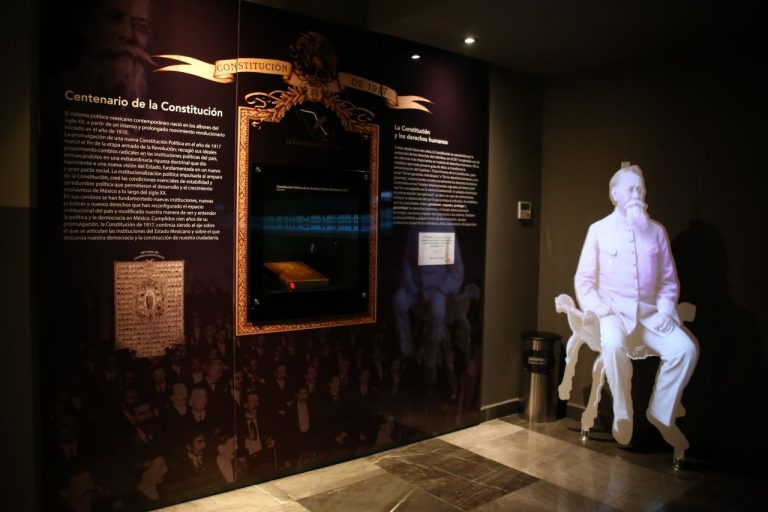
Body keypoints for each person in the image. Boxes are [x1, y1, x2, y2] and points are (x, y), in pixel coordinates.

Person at [574, 165, 698, 458]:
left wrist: (666, 311)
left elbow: (668, 281)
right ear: (614, 194)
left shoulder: (657, 232)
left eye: (640, 189)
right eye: (630, 189)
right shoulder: (599, 230)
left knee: (686, 349)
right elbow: (584, 281)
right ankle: (622, 412)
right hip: (613, 314)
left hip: (651, 316)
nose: (637, 194)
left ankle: (661, 411)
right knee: (613, 344)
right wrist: (599, 308)